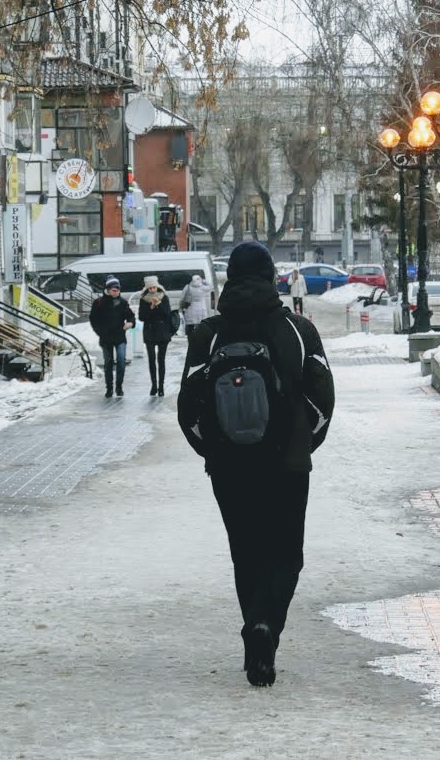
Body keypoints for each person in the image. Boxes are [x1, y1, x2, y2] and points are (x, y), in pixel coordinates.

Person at [177, 241, 335, 688]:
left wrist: (213, 451)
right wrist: (303, 442)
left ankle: (254, 626)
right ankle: (266, 627)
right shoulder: (298, 329)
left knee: (245, 551)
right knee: (286, 554)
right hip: (288, 464)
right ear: (271, 277)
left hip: (229, 466)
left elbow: (188, 406)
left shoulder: (208, 334)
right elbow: (323, 397)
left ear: (230, 278)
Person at [89, 275, 135, 397]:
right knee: (108, 363)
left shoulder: (122, 302)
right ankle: (109, 388)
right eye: (114, 290)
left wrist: (130, 323)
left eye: (118, 290)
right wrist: (100, 332)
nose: (116, 292)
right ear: (108, 290)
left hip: (120, 337)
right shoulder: (99, 303)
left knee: (121, 361)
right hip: (106, 338)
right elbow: (93, 319)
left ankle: (119, 387)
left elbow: (130, 316)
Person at [136, 275, 174, 397]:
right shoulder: (143, 299)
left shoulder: (164, 297)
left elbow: (167, 314)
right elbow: (141, 317)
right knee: (151, 359)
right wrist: (151, 308)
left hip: (163, 332)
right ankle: (154, 385)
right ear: (147, 288)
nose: (152, 290)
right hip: (150, 332)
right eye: (150, 288)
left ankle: (161, 386)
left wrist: (159, 304)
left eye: (154, 287)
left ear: (157, 287)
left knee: (161, 360)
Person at [179, 273, 211, 338]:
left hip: (190, 310)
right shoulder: (203, 288)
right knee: (200, 326)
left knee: (190, 327)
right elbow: (211, 286)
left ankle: (190, 339)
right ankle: (198, 338)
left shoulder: (187, 287)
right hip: (201, 311)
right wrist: (204, 281)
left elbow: (182, 298)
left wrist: (180, 308)